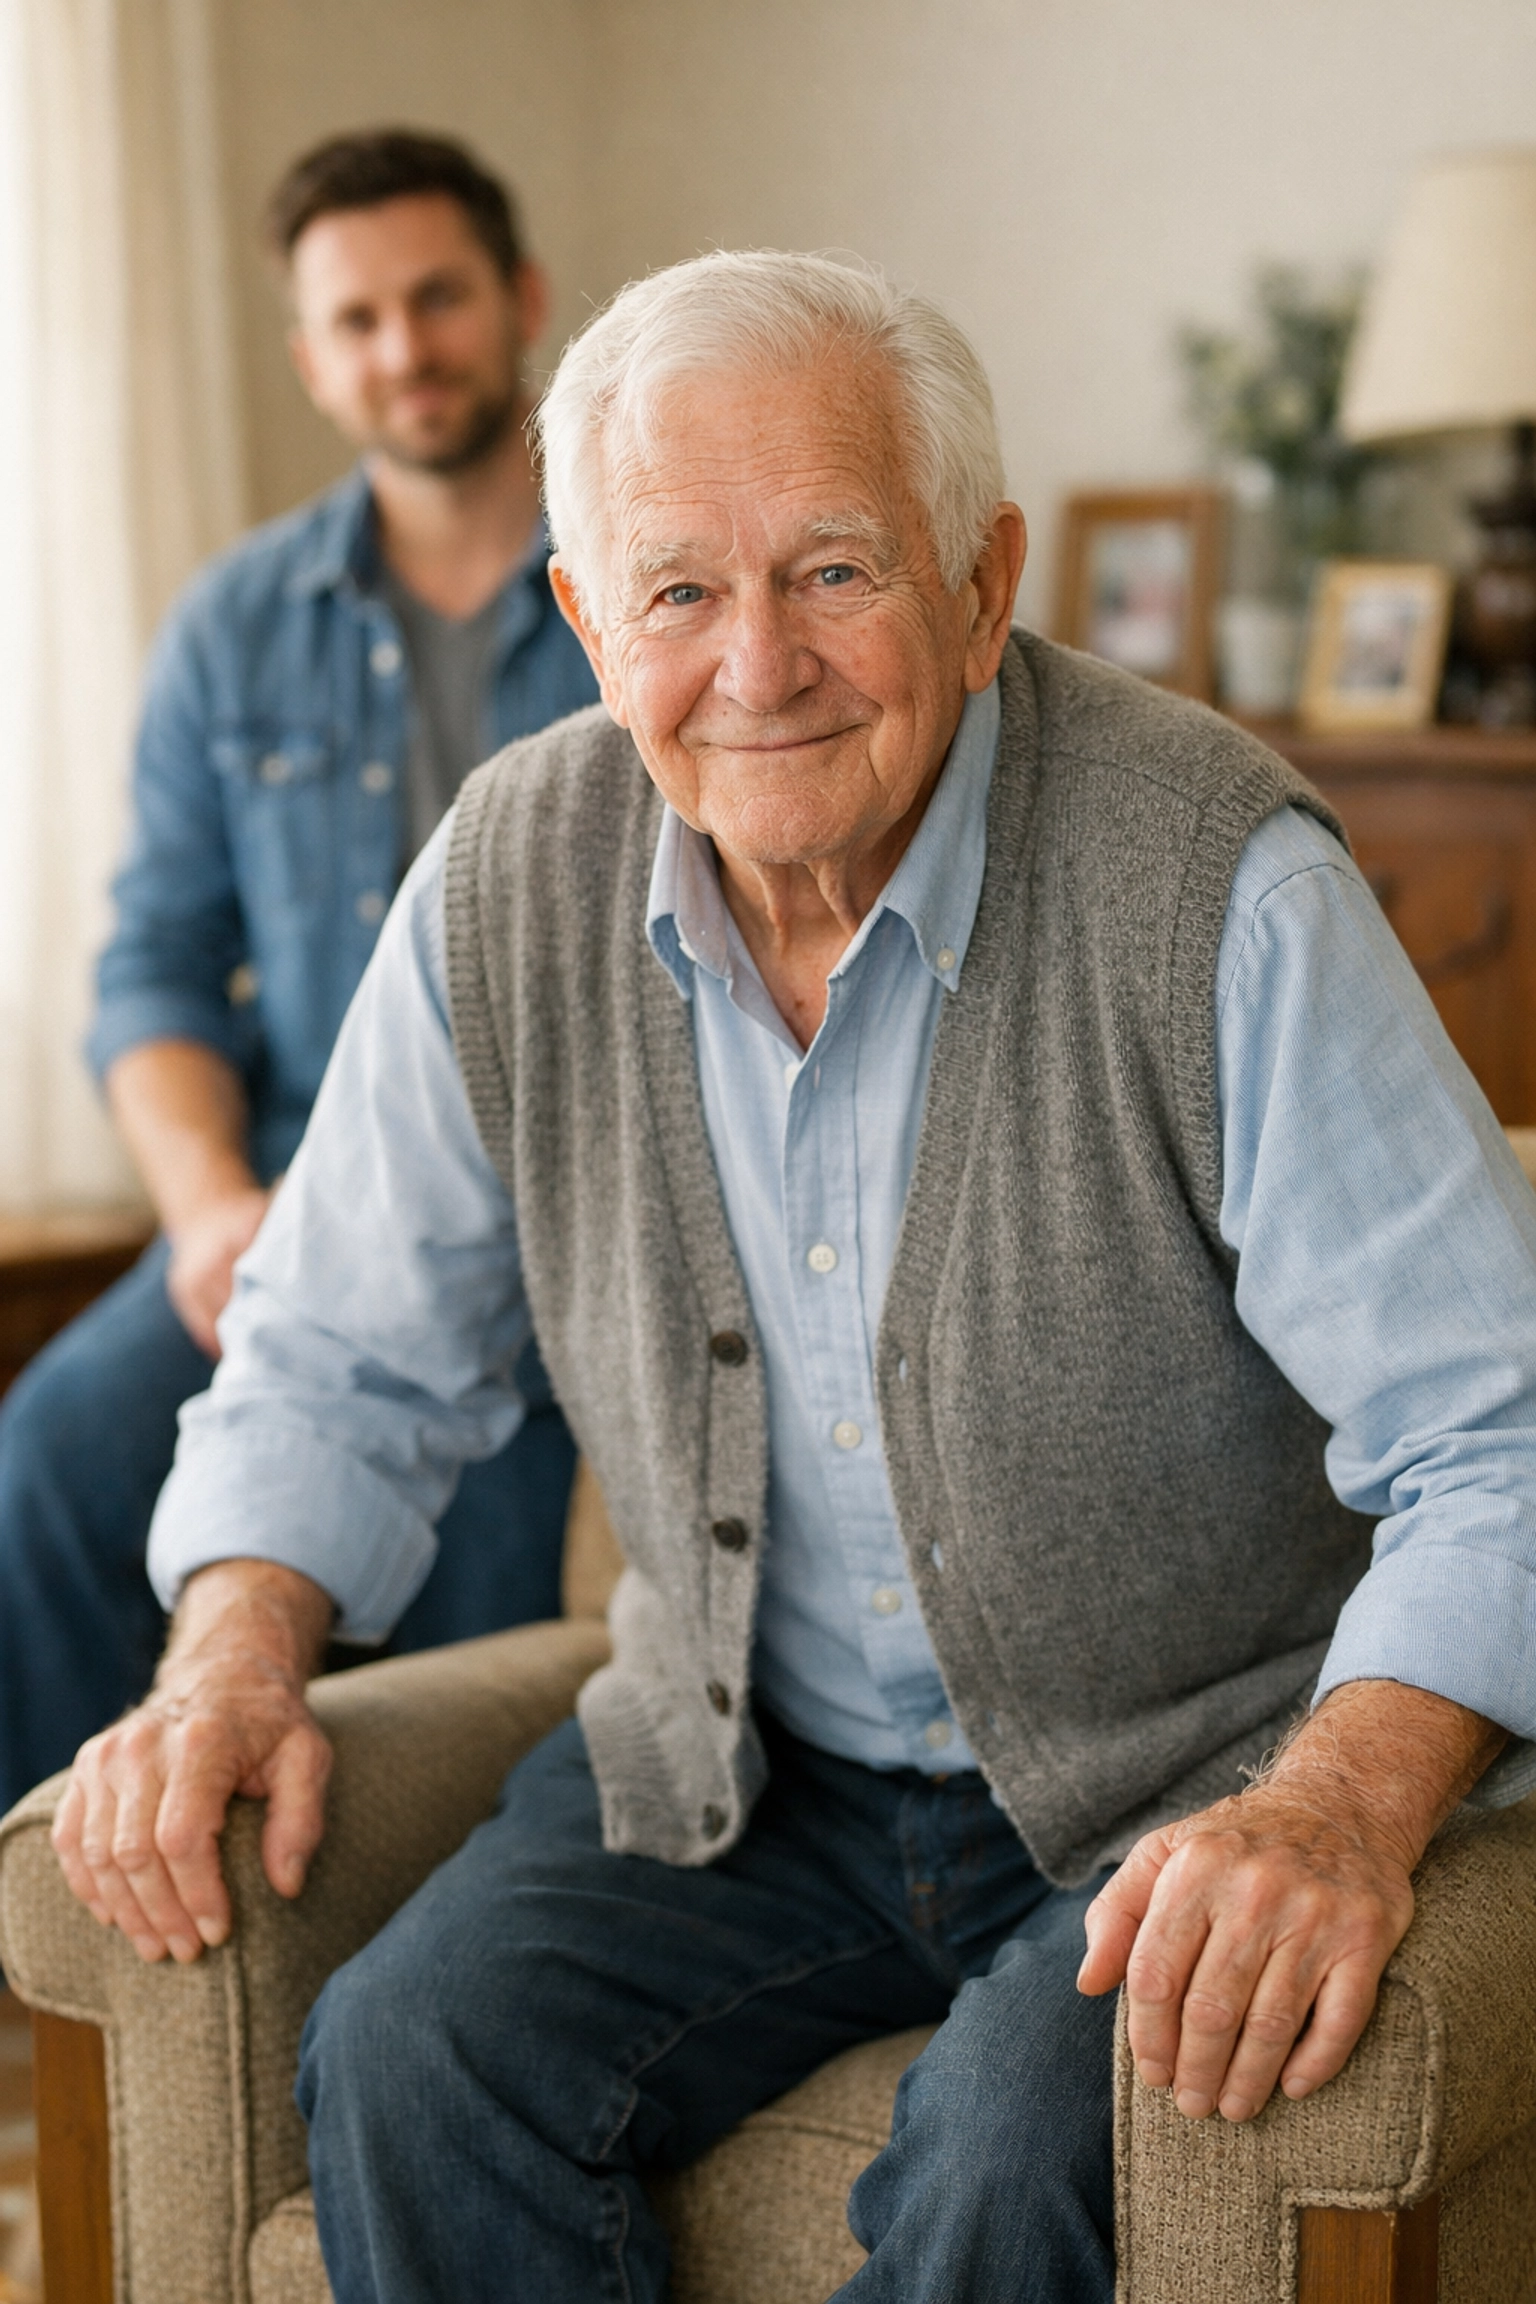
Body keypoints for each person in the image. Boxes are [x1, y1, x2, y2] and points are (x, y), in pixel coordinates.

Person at [52, 251, 1536, 2304]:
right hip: (745, 1763)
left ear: (981, 580)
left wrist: (1339, 1806)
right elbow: (336, 1356)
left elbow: (1499, 1434)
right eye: (675, 590)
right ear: (586, 621)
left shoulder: (1221, 888)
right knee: (408, 2062)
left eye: (836, 571)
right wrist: (230, 1657)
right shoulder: (504, 879)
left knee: (1018, 2155)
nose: (759, 666)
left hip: (1185, 1769)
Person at [0, 130, 599, 1818]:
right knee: (46, 1464)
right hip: (279, 1214)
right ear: (309, 358)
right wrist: (204, 1207)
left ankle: (397, 1972)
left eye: (437, 299)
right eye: (357, 320)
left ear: (521, 300)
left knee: (466, 1584)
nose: (404, 350)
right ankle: (88, 1998)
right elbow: (156, 968)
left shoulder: (648, 589)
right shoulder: (231, 625)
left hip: (565, 1226)